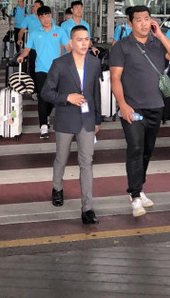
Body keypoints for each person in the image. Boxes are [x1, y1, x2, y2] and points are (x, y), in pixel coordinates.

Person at [109, 5, 170, 217]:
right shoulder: (122, 47)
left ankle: (139, 188)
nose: (143, 23)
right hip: (132, 106)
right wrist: (122, 105)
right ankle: (134, 196)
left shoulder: (157, 43)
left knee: (147, 151)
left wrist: (160, 35)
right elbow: (115, 78)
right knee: (135, 148)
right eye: (139, 19)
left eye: (147, 18)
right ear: (130, 23)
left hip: (155, 106)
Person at [41, 25, 102, 225]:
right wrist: (67, 97)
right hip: (66, 119)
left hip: (87, 120)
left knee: (87, 163)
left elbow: (96, 94)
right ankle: (57, 188)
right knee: (61, 158)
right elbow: (46, 93)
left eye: (87, 39)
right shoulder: (59, 64)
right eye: (79, 39)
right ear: (71, 42)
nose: (84, 43)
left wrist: (98, 120)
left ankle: (88, 208)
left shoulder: (94, 63)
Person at [19, 6, 61, 140]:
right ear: (38, 18)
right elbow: (27, 48)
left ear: (51, 16)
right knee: (43, 97)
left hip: (56, 70)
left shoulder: (59, 31)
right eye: (42, 17)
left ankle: (46, 116)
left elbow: (67, 46)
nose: (46, 19)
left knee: (53, 98)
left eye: (48, 16)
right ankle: (43, 126)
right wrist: (22, 56)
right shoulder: (34, 33)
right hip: (40, 69)